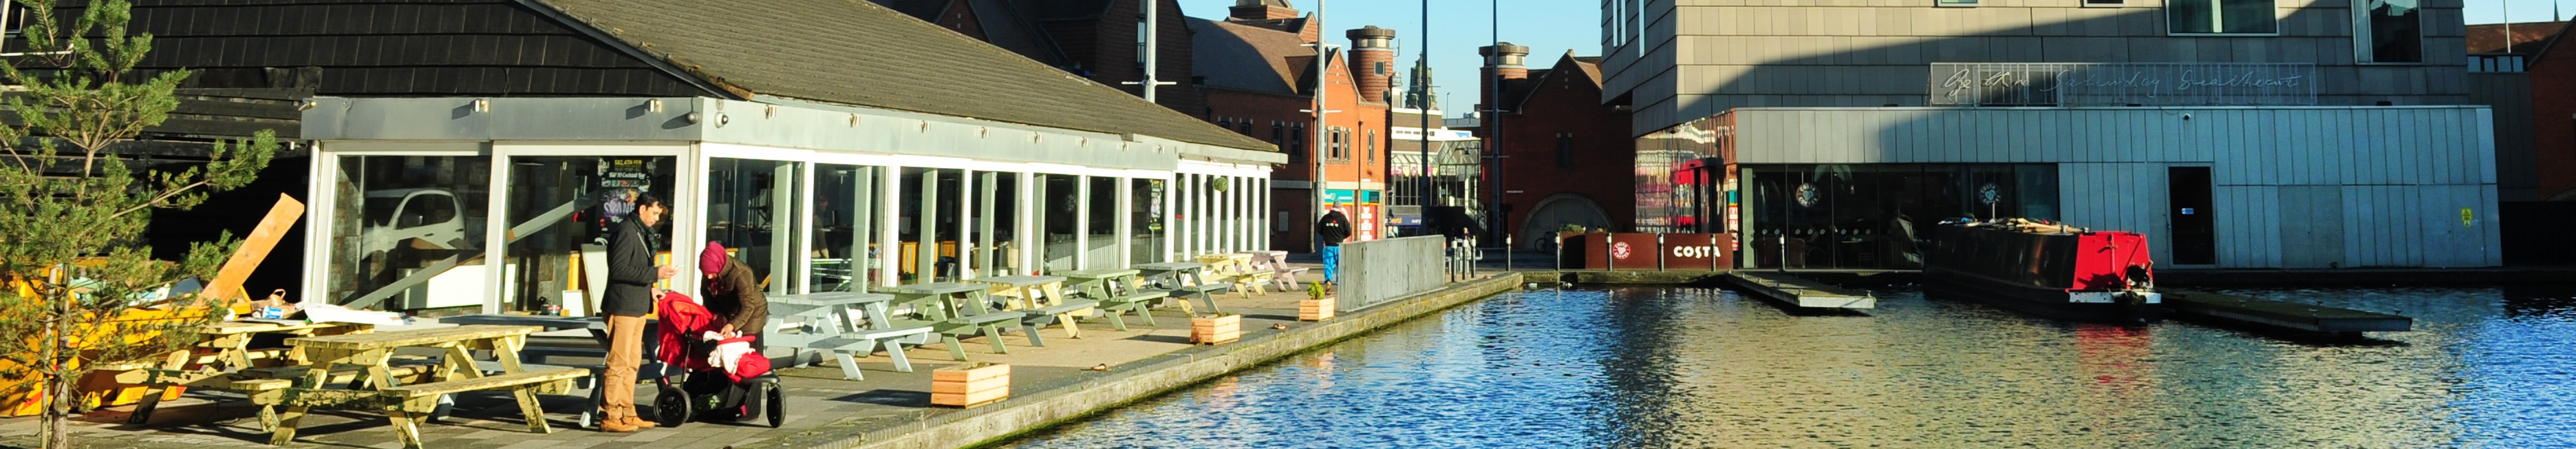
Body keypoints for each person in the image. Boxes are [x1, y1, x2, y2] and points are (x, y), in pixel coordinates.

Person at [600, 194, 672, 432]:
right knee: (618, 362)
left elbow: (635, 269)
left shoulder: (641, 232)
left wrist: (651, 289)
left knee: (632, 363)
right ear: (642, 209)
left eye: (659, 215)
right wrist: (654, 274)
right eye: (654, 213)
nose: (656, 219)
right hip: (622, 307)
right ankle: (611, 415)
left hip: (638, 306)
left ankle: (627, 412)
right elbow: (619, 269)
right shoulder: (626, 232)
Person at [698, 242, 769, 344]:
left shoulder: (741, 272)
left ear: (719, 266)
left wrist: (731, 326)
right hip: (728, 312)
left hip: (751, 317)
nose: (709, 277)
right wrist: (717, 313)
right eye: (706, 274)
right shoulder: (709, 274)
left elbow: (748, 306)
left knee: (748, 354)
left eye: (712, 273)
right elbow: (707, 297)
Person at [1315, 204, 1351, 291]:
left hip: (1328, 246)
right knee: (1340, 265)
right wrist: (1342, 237)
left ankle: (1328, 280)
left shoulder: (1326, 218)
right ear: (1340, 208)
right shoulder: (1342, 218)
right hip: (1339, 246)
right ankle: (1339, 283)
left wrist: (1326, 235)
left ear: (1333, 207)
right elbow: (1348, 232)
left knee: (1328, 265)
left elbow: (1318, 229)